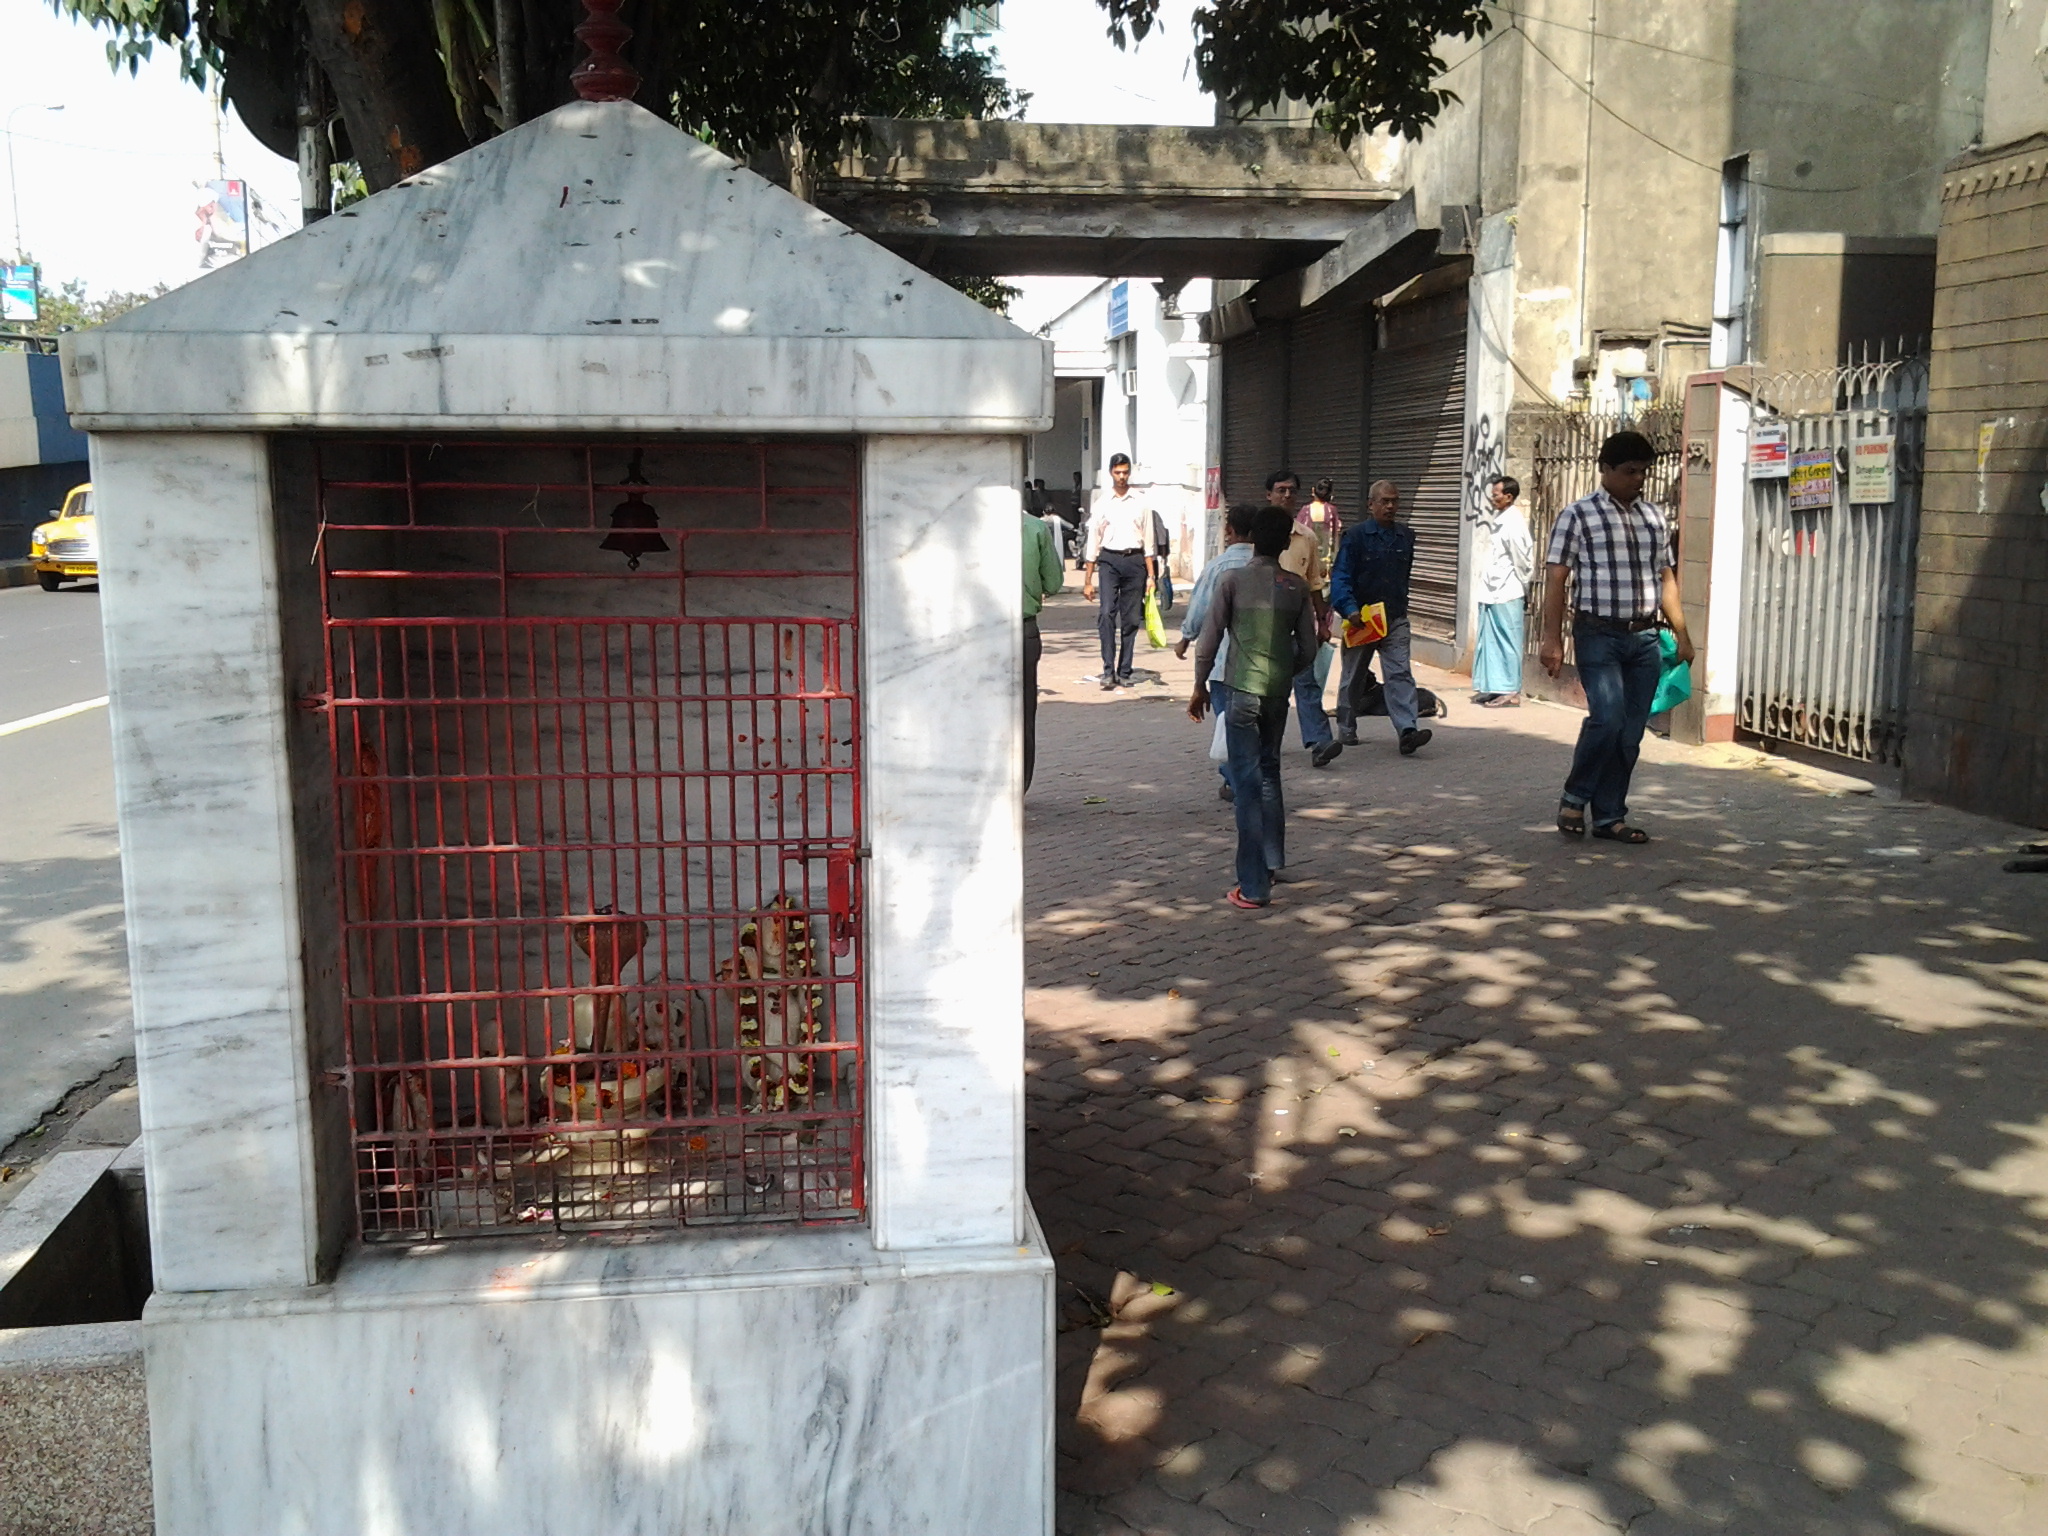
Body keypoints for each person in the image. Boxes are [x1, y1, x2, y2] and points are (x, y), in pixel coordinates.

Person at [1538, 431, 1694, 843]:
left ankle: (1609, 816)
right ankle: (1575, 797)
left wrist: (1683, 634)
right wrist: (1550, 639)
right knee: (1606, 720)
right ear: (1605, 469)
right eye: (1629, 471)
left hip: (1644, 639)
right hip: (1597, 634)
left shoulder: (1654, 518)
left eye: (1644, 471)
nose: (1638, 478)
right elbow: (1557, 578)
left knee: (1630, 734)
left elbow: (1666, 579)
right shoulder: (1578, 515)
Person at [1188, 505, 1318, 909]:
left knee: (1245, 784)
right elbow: (1310, 648)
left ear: (1251, 539)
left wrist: (1199, 687)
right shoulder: (1296, 587)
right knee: (1270, 772)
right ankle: (1273, 859)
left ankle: (1254, 884)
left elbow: (1208, 642)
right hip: (1277, 693)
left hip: (1240, 690)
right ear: (1284, 544)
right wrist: (1283, 670)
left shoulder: (1232, 580)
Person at [1330, 479, 1431, 756]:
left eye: (1394, 501)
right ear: (1370, 504)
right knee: (1354, 676)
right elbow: (1340, 576)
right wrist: (1349, 609)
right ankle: (1347, 726)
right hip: (1362, 619)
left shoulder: (1406, 537)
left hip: (1394, 618)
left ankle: (1407, 730)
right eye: (1384, 501)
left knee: (1400, 672)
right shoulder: (1356, 537)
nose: (1390, 506)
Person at [1175, 503, 1258, 802]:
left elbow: (1200, 611)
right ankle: (1247, 778)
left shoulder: (1217, 567)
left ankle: (1237, 782)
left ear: (1229, 530)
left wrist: (1186, 638)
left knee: (1227, 724)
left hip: (1223, 664)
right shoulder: (1269, 566)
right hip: (1261, 664)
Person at [1266, 469, 1343, 768]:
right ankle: (1266, 744)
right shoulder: (1256, 534)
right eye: (1280, 490)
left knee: (1307, 682)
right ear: (1268, 495)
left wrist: (1323, 622)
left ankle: (1320, 742)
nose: (1286, 496)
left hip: (1298, 623)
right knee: (1270, 692)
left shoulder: (1306, 537)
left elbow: (1314, 584)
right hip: (1264, 623)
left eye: (1291, 491)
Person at [1082, 453, 1158, 691]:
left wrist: (1151, 577)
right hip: (1109, 561)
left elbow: (1149, 542)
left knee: (1131, 618)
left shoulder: (1141, 502)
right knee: (1106, 614)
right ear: (1111, 473)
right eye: (1118, 472)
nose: (1122, 477)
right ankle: (1108, 669)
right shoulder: (1102, 503)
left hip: (1134, 562)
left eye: (1125, 472)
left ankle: (1125, 670)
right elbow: (1093, 541)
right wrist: (1087, 580)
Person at [1471, 475, 1533, 707]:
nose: (1492, 498)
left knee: (1508, 640)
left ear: (1508, 497)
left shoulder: (1514, 522)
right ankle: (1495, 687)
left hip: (1507, 590)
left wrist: (1524, 585)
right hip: (1492, 591)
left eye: (1496, 494)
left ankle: (1510, 690)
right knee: (1490, 641)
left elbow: (1523, 559)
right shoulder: (1501, 519)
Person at [1022, 505, 1065, 791]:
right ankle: (1019, 785)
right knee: (1023, 714)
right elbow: (1054, 581)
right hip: (1023, 630)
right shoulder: (1035, 527)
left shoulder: (967, 522)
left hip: (978, 635)